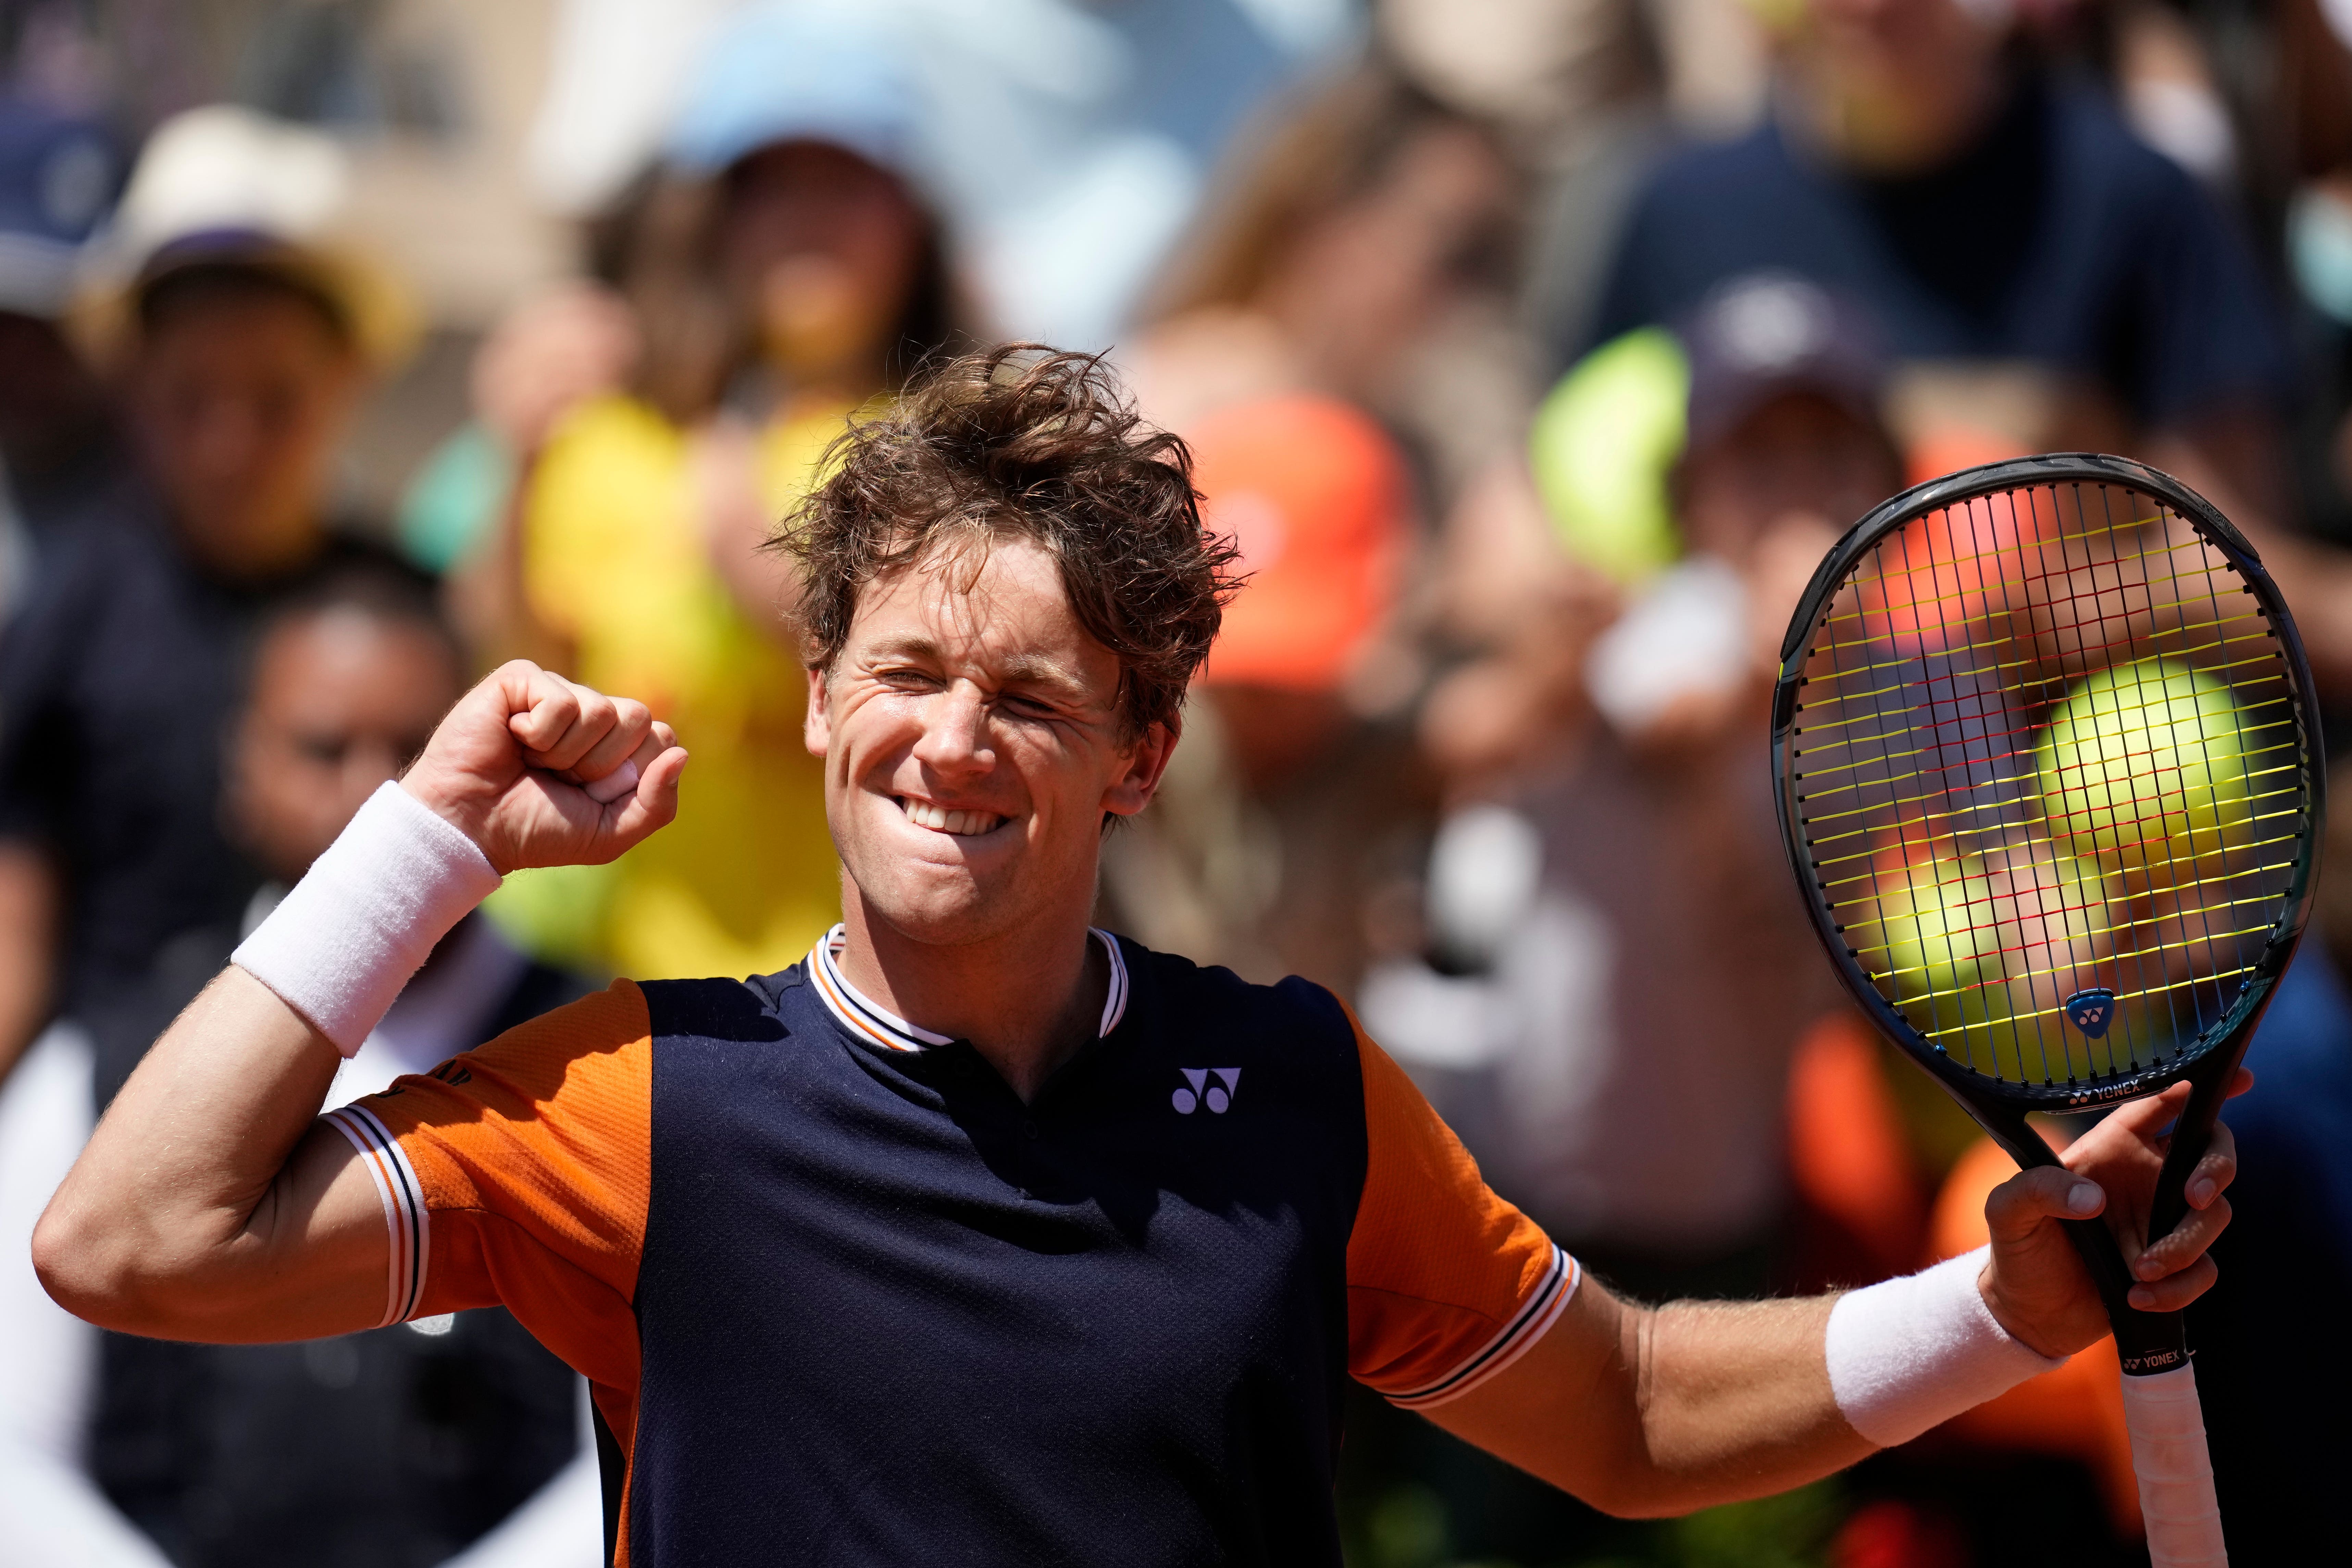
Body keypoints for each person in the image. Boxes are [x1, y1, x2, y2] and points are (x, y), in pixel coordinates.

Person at [35, 348, 2240, 1566]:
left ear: (1141, 752)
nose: (950, 740)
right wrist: (423, 842)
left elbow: (1638, 1416)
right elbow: (133, 1243)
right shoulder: (640, 1101)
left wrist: (2003, 1305)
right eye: (901, 670)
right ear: (815, 699)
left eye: (1032, 697)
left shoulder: (1288, 1089)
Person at [0, 558, 600, 1567]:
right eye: (323, 748)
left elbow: (657, 1448)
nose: (377, 795)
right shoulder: (99, 1062)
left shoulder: (603, 1055)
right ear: (238, 768)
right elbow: (15, 1449)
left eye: (414, 748)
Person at [457, 4, 965, 981]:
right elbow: (520, 661)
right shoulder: (613, 440)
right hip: (620, 988)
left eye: (846, 181)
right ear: (711, 219)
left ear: (911, 216)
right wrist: (518, 468)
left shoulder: (956, 451)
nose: (809, 216)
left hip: (870, 994)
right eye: (771, 184)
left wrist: (771, 579)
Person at [0, 105, 410, 1088]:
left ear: (346, 377)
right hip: (105, 1110)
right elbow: (17, 918)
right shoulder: (69, 614)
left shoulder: (407, 617)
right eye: (192, 398)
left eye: (274, 401)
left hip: (368, 1119)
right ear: (132, 379)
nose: (231, 445)